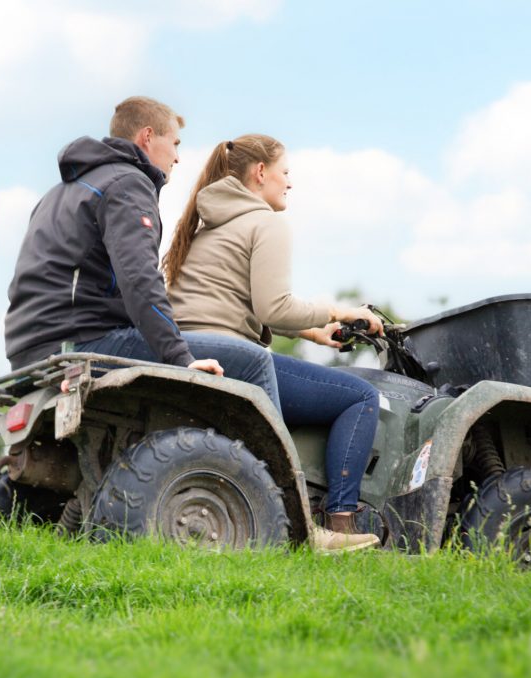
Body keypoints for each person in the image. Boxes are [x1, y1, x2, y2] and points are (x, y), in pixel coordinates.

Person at [163, 134, 385, 552]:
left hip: (189, 348)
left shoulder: (207, 223)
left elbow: (231, 300)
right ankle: (338, 522)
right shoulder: (266, 222)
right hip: (233, 356)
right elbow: (274, 307)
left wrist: (313, 331)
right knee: (359, 397)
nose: (290, 183)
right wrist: (340, 312)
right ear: (260, 173)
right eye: (286, 172)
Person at [4, 96, 281, 409]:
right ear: (147, 137)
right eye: (175, 143)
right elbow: (139, 279)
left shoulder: (62, 191)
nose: (177, 157)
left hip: (28, 351)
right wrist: (180, 358)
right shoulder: (128, 185)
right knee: (255, 361)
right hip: (81, 341)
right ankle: (268, 462)